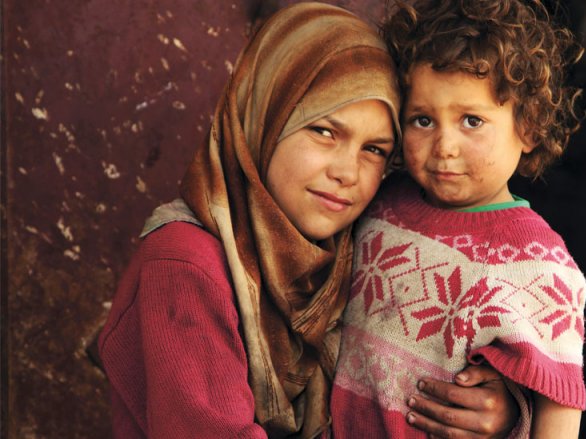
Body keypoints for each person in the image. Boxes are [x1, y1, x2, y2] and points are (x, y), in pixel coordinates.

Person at [97, 4, 517, 438]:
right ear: (266, 117)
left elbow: (405, 374)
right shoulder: (185, 263)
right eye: (324, 131)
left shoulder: (356, 249)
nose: (346, 172)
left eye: (374, 149)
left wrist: (495, 412)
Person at [329, 0, 586, 437]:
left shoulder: (540, 264)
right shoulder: (381, 203)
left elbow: (560, 402)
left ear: (528, 127)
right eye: (423, 120)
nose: (444, 145)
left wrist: (511, 415)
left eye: (471, 120)